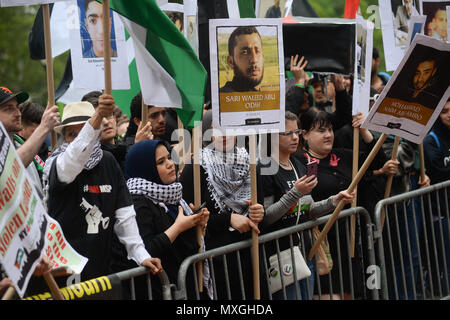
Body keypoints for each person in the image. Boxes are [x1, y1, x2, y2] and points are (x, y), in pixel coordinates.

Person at [42, 95, 162, 284]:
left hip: (100, 271)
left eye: (83, 132)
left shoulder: (108, 161)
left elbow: (125, 216)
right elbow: (74, 159)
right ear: (64, 137)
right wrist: (96, 117)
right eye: (71, 134)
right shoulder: (57, 164)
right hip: (63, 275)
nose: (78, 139)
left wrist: (141, 254)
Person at [294, 107, 388, 299]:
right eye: (321, 131)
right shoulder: (298, 162)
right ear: (304, 134)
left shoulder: (343, 155)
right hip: (321, 242)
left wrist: (364, 131)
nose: (328, 135)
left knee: (349, 293)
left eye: (330, 130)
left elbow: (378, 161)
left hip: (349, 241)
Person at [260, 111, 354, 300]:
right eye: (288, 133)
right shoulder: (265, 167)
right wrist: (295, 193)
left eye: (297, 131)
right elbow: (267, 217)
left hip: (305, 250)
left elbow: (308, 209)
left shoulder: (300, 164)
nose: (295, 138)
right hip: (280, 255)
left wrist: (333, 201)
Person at [180, 110, 268, 299]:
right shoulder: (195, 168)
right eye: (216, 129)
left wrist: (260, 212)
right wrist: (228, 219)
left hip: (249, 257)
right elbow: (189, 217)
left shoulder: (251, 163)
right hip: (217, 262)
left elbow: (259, 207)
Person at [111, 139, 212, 299]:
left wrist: (198, 225)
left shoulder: (172, 195)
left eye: (169, 158)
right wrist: (178, 227)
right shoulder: (136, 203)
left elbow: (184, 246)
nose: (170, 164)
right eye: (161, 162)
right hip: (157, 290)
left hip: (183, 286)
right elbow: (145, 252)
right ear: (145, 168)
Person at [0, 86, 59, 200]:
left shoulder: (20, 144)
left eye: (17, 107)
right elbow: (11, 168)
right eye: (8, 109)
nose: (18, 114)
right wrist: (44, 127)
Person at [421, 97, 450, 297]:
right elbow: (438, 169)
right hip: (441, 212)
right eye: (445, 111)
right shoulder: (431, 139)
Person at [220, 26, 265, 93]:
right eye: (245, 52)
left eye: (257, 51)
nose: (254, 60)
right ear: (230, 62)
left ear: (263, 57)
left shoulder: (263, 98)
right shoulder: (222, 99)